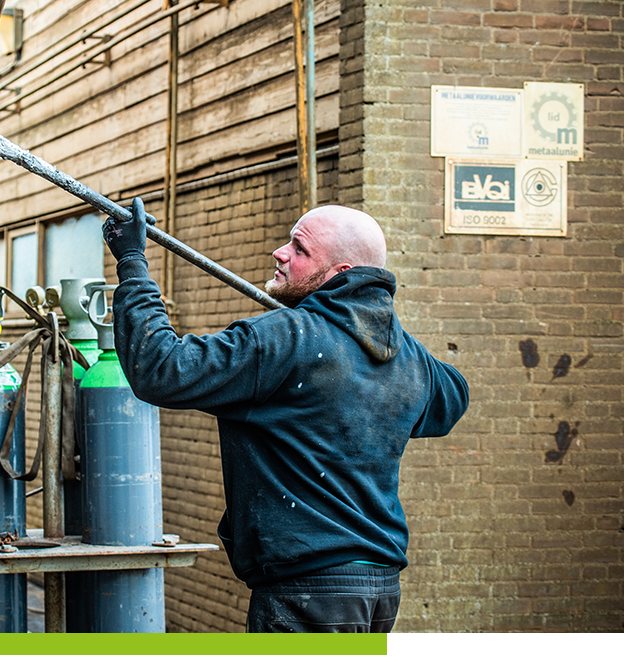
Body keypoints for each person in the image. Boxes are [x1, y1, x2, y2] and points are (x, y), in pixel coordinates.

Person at [101, 199, 469, 633]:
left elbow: (160, 368)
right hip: (378, 591)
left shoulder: (284, 342)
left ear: (339, 274)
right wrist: (381, 325)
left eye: (299, 248)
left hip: (307, 597)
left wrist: (132, 261)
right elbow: (454, 394)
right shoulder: (408, 361)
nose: (280, 252)